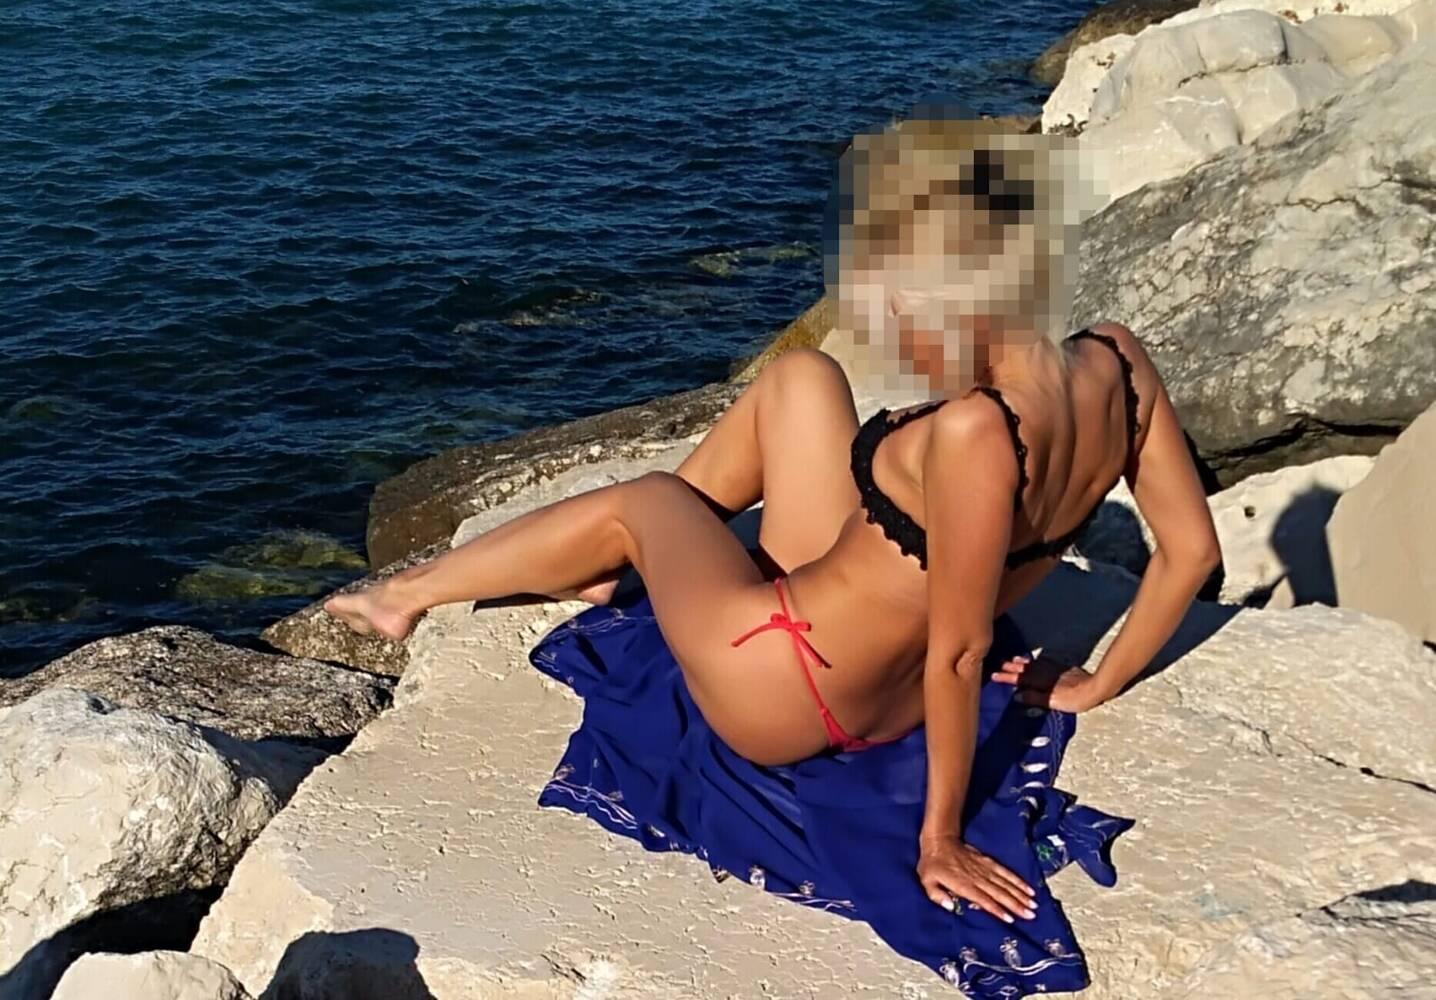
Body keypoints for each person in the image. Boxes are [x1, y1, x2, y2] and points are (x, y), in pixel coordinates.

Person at [323, 113, 1220, 930]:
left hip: (788, 694)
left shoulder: (976, 433)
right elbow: (1189, 551)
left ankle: (409, 594)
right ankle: (626, 566)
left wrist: (939, 837)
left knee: (649, 500)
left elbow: (958, 654)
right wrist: (1097, 680)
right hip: (875, 675)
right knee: (801, 379)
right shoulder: (1117, 359)